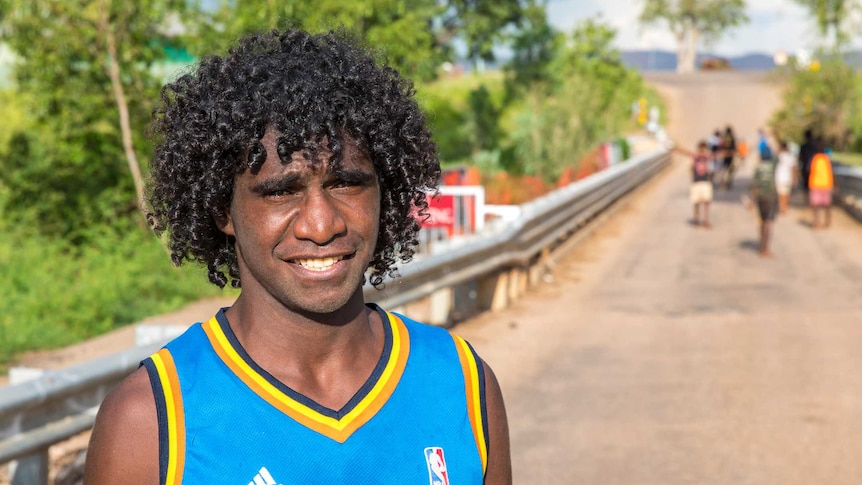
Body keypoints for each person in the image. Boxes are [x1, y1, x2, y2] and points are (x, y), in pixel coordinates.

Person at [84, 28, 512, 485]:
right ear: (221, 210)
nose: (322, 224)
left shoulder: (463, 384)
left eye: (346, 183)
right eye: (281, 192)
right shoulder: (150, 422)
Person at [751, 147, 779, 257]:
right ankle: (766, 247)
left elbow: (754, 185)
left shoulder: (758, 168)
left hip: (760, 197)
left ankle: (761, 245)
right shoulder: (772, 167)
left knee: (762, 221)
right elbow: (777, 157)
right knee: (768, 222)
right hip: (771, 196)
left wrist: (753, 200)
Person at [808, 145, 834, 229]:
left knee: (816, 206)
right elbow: (831, 171)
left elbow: (809, 169)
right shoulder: (827, 159)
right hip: (826, 184)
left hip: (815, 184)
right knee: (827, 205)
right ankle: (827, 222)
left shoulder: (814, 158)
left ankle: (816, 223)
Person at [688, 140, 713, 228]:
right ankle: (697, 219)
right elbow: (691, 168)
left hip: (705, 181)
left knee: (706, 202)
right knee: (696, 202)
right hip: (697, 181)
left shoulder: (707, 157)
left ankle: (705, 220)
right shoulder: (695, 157)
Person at [774, 140, 797, 214]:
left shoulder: (778, 156)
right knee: (786, 194)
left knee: (780, 194)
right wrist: (794, 178)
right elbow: (794, 168)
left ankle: (782, 208)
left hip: (779, 178)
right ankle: (785, 207)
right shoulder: (789, 157)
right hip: (787, 178)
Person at [797, 128, 817, 194]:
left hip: (806, 168)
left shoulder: (804, 146)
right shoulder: (814, 146)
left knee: (807, 185)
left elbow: (799, 157)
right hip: (813, 168)